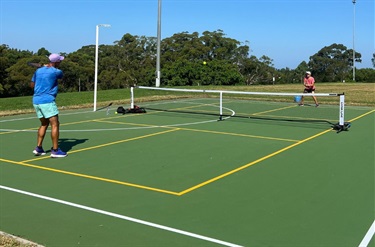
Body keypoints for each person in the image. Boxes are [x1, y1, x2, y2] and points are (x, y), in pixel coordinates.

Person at [30, 53, 67, 158]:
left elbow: (32, 85)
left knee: (44, 124)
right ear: (56, 62)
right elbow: (60, 76)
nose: (61, 62)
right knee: (55, 124)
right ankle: (55, 150)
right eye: (60, 60)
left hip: (36, 100)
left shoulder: (38, 71)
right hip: (47, 101)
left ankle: (39, 148)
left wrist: (43, 69)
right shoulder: (57, 72)